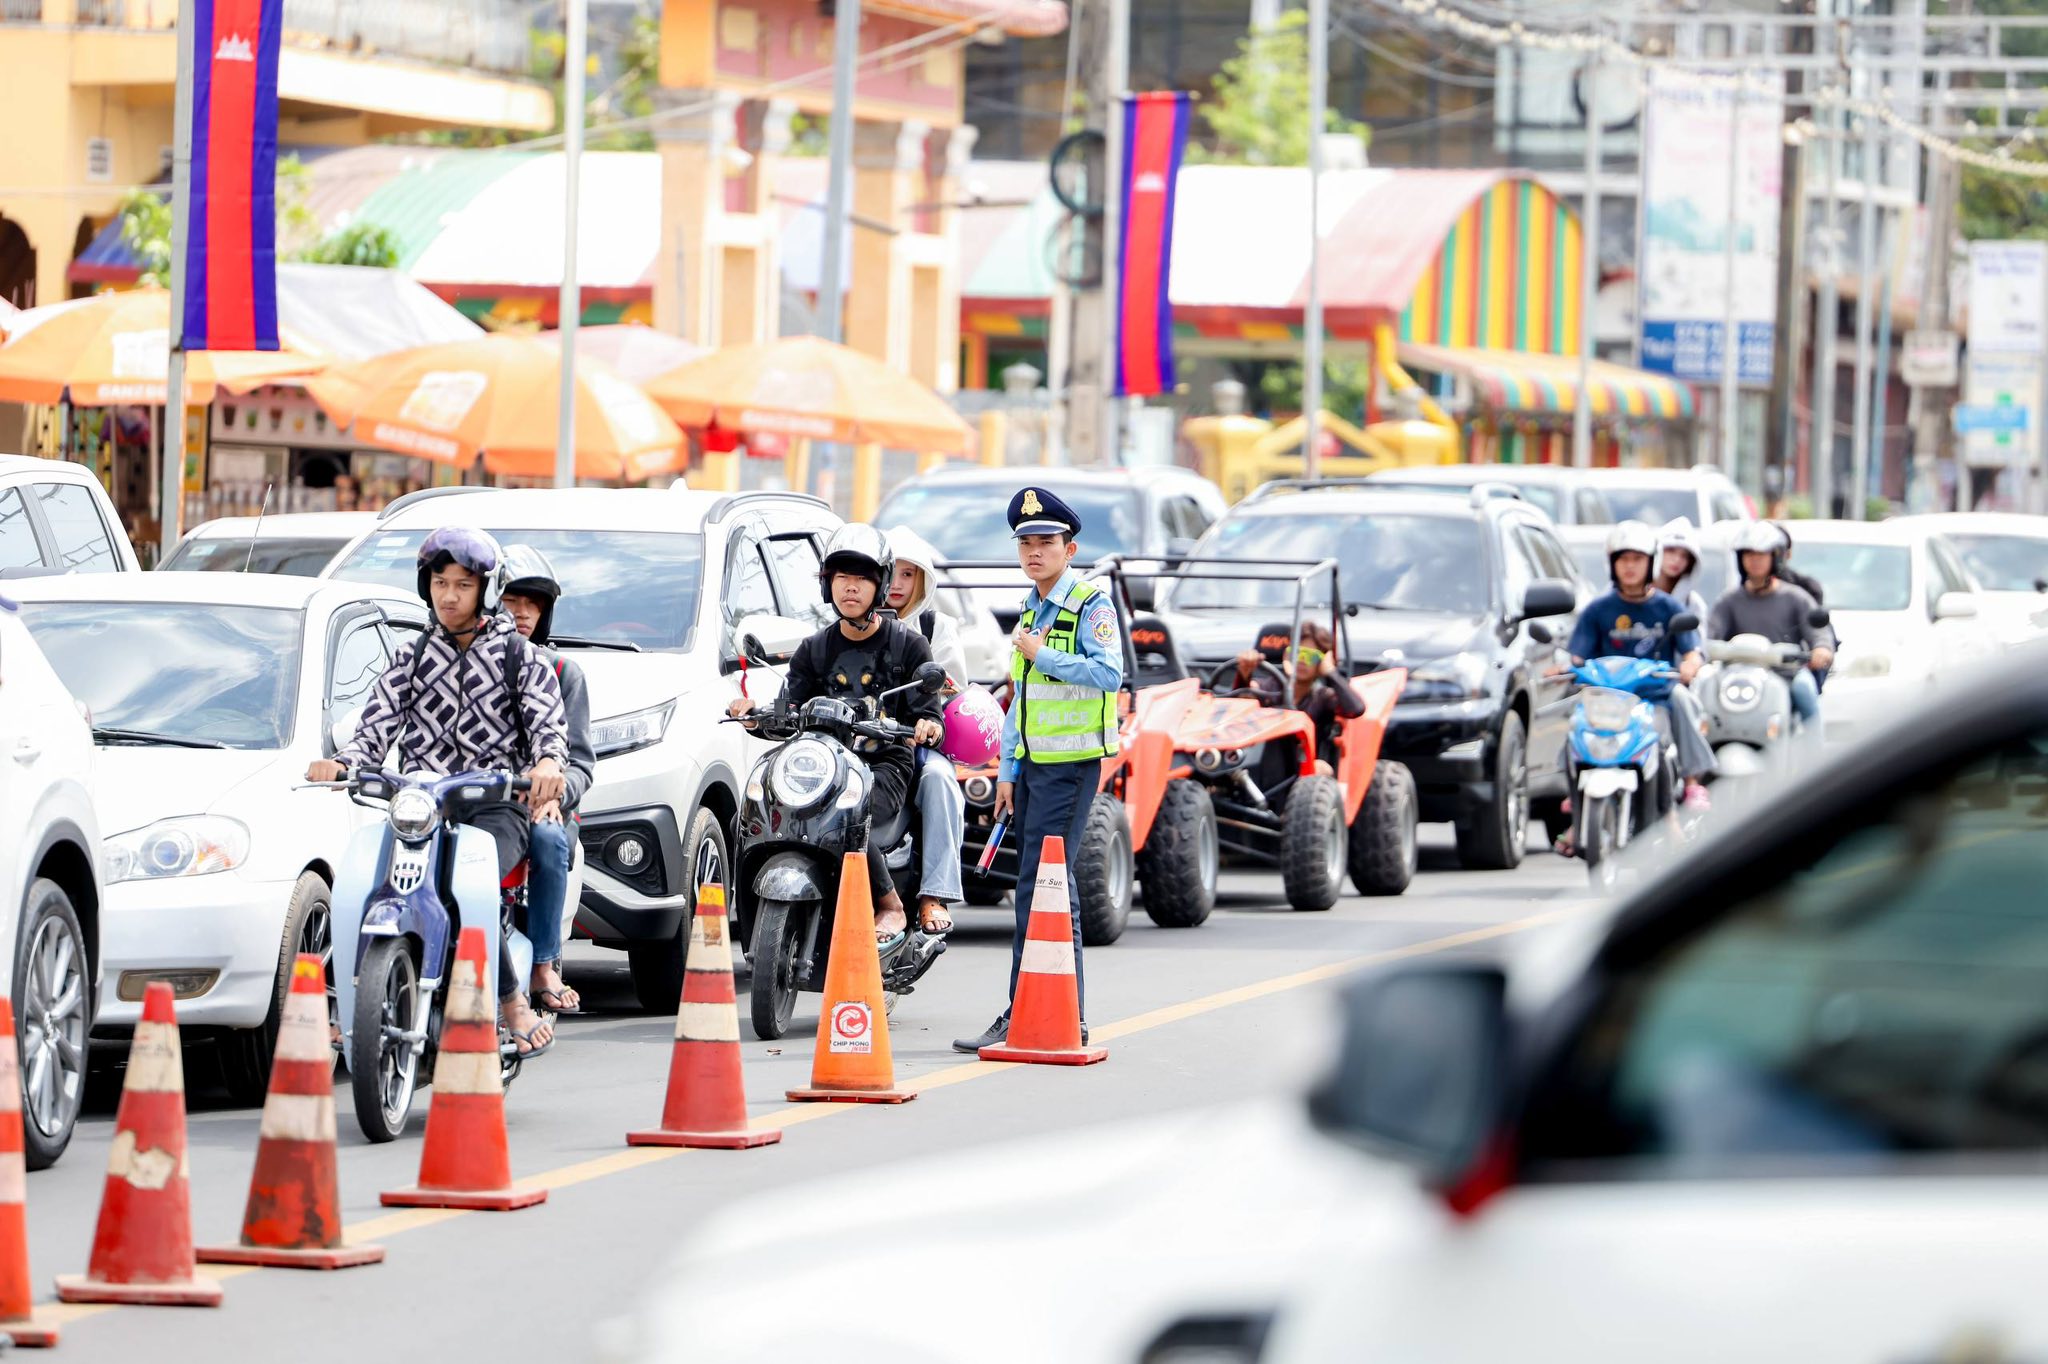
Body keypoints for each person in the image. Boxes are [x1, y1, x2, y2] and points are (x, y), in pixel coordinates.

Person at [307, 527, 569, 1058]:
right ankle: (349, 1004)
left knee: (469, 885)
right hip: (421, 806)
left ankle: (512, 1000)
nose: (448, 596)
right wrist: (346, 762)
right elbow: (375, 726)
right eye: (439, 582)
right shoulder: (411, 656)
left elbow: (549, 727)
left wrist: (546, 763)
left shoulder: (520, 657)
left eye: (463, 585)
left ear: (486, 591)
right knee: (368, 882)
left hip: (496, 807)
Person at [954, 487, 1124, 1055]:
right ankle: (1036, 1010)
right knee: (1037, 887)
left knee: (1047, 886)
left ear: (1069, 549)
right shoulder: (1033, 607)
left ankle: (1051, 1014)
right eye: (1025, 542)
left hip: (1070, 767)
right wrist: (1007, 770)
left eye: (1046, 541)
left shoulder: (1090, 604)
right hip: (1032, 769)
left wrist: (1041, 653)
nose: (1034, 551)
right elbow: (1022, 700)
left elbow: (1110, 674)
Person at [726, 524, 946, 944]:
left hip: (883, 762)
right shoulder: (815, 648)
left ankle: (890, 905)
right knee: (752, 810)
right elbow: (789, 708)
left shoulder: (908, 645)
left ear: (880, 586)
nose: (851, 587)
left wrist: (927, 725)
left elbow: (929, 714)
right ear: (828, 585)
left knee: (850, 814)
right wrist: (754, 715)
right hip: (819, 764)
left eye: (862, 578)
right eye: (842, 577)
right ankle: (746, 913)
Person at [1564, 520, 1716, 823]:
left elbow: (1691, 649)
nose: (1630, 566)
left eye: (1637, 559)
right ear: (1612, 564)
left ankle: (1688, 788)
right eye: (1623, 559)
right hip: (1608, 699)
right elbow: (1577, 655)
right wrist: (1564, 666)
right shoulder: (1597, 610)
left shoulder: (1670, 608)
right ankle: (1576, 809)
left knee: (1679, 707)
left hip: (1655, 695)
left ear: (1651, 562)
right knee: (1574, 728)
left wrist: (1690, 663)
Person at [499, 545, 594, 1016]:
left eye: (532, 604)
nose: (521, 613)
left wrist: (555, 793)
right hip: (482, 800)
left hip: (542, 806)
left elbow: (579, 762)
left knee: (549, 838)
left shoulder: (561, 673)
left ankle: (542, 965)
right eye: (511, 601)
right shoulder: (469, 665)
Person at [884, 525, 967, 934]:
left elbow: (955, 691)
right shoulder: (844, 624)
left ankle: (934, 893)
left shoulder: (935, 627)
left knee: (939, 779)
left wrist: (928, 717)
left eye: (908, 574)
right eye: (891, 572)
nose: (898, 584)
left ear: (922, 580)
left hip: (918, 742)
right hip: (856, 742)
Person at [1709, 521, 1833, 727]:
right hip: (1737, 676)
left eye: (1761, 555)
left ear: (1776, 558)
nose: (1754, 560)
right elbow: (1709, 632)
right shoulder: (1729, 600)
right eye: (1749, 554)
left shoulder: (1796, 597)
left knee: (1804, 689)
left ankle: (1815, 744)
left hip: (1786, 674)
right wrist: (1695, 655)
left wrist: (1821, 649)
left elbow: (1818, 632)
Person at [1227, 620, 1364, 775]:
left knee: (1322, 769)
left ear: (1322, 662)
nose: (1302, 661)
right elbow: (1240, 703)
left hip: (1303, 771)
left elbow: (1356, 709)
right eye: (1297, 653)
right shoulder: (1265, 688)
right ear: (1287, 655)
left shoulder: (1322, 697)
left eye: (1311, 656)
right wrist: (1244, 676)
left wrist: (1331, 672)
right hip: (1259, 765)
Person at [1655, 518, 1711, 623]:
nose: (1677, 559)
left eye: (1685, 556)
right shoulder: (1633, 596)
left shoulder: (1693, 605)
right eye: (1671, 550)